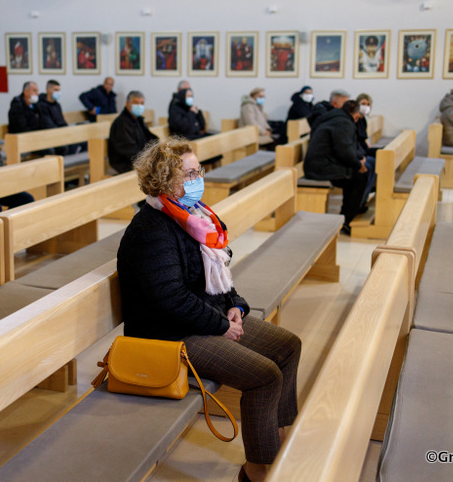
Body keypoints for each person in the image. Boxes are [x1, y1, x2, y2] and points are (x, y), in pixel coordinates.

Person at [117, 138, 301, 482]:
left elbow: (219, 276)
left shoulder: (193, 217)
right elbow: (170, 299)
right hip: (169, 335)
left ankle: (277, 440)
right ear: (164, 179)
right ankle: (257, 470)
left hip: (203, 318)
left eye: (198, 170)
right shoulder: (151, 230)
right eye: (189, 173)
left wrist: (235, 306)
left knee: (288, 346)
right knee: (265, 375)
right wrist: (221, 325)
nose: (198, 178)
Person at [303, 100, 369, 235]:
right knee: (359, 176)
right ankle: (347, 220)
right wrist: (358, 165)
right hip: (319, 167)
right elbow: (344, 151)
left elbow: (347, 147)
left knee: (354, 175)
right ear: (356, 116)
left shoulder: (336, 118)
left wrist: (359, 158)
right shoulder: (343, 123)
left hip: (320, 163)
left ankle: (346, 216)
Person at [108, 90, 158, 174]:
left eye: (141, 103)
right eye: (136, 103)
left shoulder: (138, 120)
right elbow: (129, 150)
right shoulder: (122, 123)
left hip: (139, 158)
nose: (139, 106)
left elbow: (150, 138)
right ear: (127, 104)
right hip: (125, 163)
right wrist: (147, 159)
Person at [354, 93, 377, 208]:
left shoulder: (363, 120)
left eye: (368, 104)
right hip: (356, 152)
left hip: (361, 149)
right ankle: (360, 201)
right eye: (363, 104)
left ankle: (365, 196)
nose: (366, 106)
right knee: (370, 164)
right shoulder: (355, 119)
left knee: (378, 159)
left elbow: (363, 140)